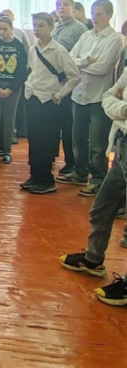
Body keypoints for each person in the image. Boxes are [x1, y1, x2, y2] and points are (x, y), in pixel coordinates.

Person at [59, 67, 127, 306]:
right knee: (102, 208)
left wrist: (119, 106)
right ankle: (93, 259)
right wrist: (124, 110)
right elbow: (108, 98)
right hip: (122, 145)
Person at [58, 0, 124, 196]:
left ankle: (97, 178)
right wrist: (86, 61)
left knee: (98, 142)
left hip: (98, 96)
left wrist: (79, 65)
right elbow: (69, 60)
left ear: (109, 15)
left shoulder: (115, 39)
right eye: (93, 14)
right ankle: (80, 172)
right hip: (79, 93)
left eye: (99, 14)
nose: (95, 18)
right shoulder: (86, 35)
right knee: (77, 138)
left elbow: (102, 68)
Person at [22, 13, 81, 194]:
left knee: (46, 141)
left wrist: (59, 95)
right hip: (33, 97)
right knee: (34, 139)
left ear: (51, 27)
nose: (37, 29)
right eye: (35, 25)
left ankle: (47, 180)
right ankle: (35, 175)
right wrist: (29, 88)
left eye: (41, 26)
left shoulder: (58, 51)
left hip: (48, 100)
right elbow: (33, 71)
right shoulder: (33, 49)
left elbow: (74, 76)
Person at [52, 0, 89, 175]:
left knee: (69, 127)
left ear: (73, 9)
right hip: (53, 83)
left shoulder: (80, 29)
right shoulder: (54, 27)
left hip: (70, 84)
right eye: (59, 4)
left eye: (66, 4)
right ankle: (53, 157)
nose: (62, 7)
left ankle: (72, 162)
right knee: (55, 124)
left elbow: (79, 57)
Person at [0, 16, 28, 164]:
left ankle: (7, 150)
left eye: (5, 29)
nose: (2, 32)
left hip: (13, 87)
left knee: (9, 119)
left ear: (11, 29)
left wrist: (11, 88)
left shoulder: (18, 45)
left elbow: (21, 70)